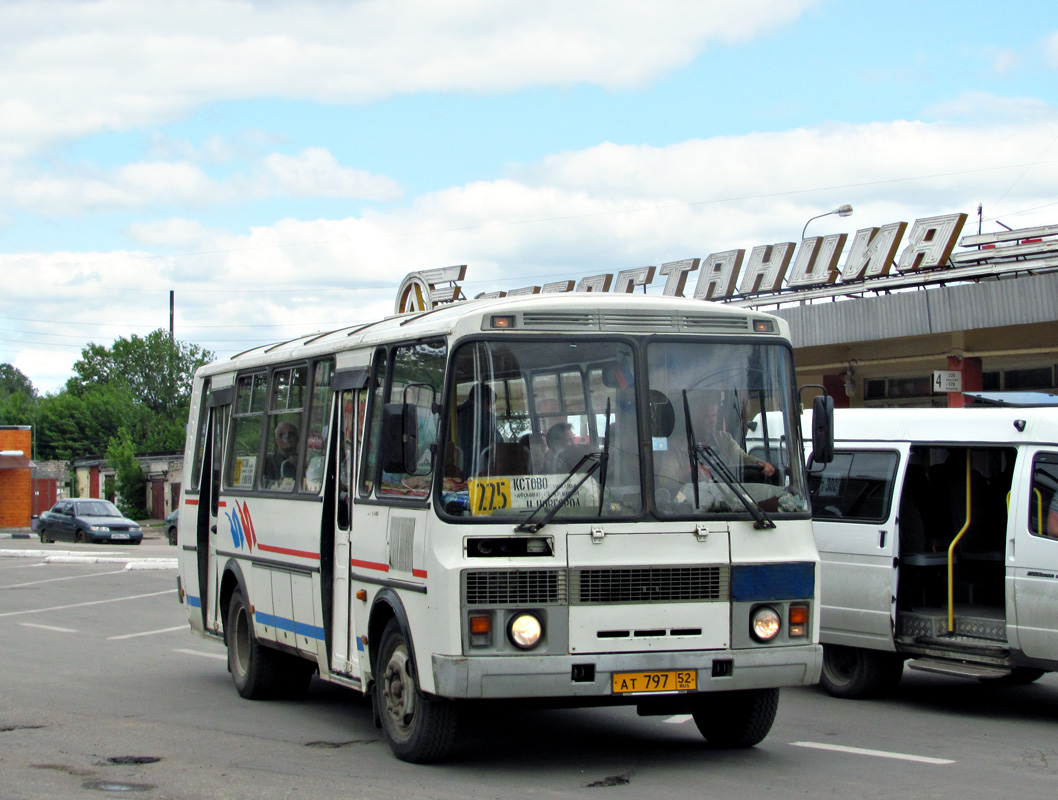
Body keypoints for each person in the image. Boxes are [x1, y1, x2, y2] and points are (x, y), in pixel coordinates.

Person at [456, 383, 502, 476]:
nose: (489, 408)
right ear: (485, 401)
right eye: (490, 405)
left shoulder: (454, 414)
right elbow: (496, 442)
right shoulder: (484, 415)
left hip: (455, 468)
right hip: (478, 469)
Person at [264, 420, 300, 486]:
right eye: (281, 435)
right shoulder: (268, 462)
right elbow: (263, 485)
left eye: (291, 434)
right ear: (276, 440)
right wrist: (277, 484)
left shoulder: (304, 462)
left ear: (297, 438)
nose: (287, 437)